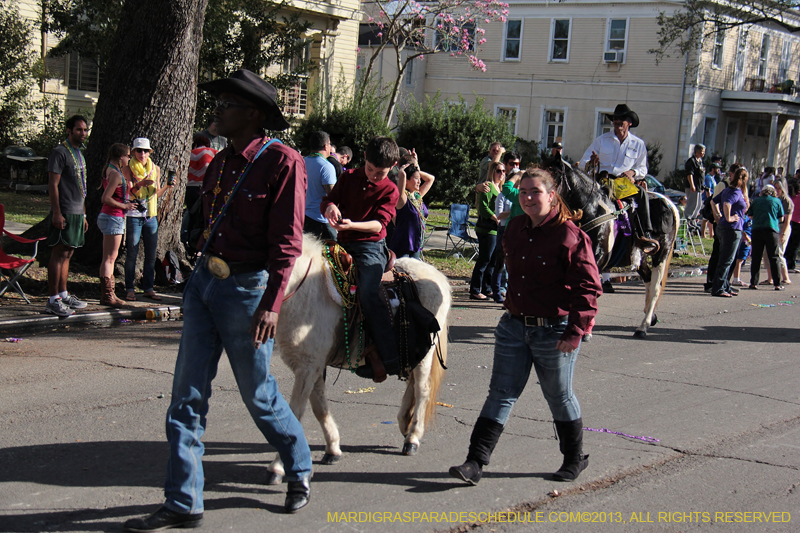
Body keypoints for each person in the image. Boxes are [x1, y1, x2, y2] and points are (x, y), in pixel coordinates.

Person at [123, 69, 313, 532]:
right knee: (186, 397)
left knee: (259, 395)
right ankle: (183, 501)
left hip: (249, 292)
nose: (217, 109)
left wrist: (271, 304)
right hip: (204, 285)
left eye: (226, 103)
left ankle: (299, 465)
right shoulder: (218, 162)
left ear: (252, 113)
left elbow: (286, 243)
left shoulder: (283, 162)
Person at [449, 168, 601, 486]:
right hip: (514, 327)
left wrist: (575, 331)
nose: (529, 197)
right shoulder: (515, 227)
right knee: (500, 393)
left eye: (535, 192)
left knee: (558, 395)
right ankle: (474, 462)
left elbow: (589, 288)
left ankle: (574, 459)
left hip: (554, 330)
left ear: (551, 194)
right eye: (524, 191)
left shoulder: (570, 235)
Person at [321, 136, 401, 382]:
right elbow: (329, 199)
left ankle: (390, 356)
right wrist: (330, 208)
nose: (374, 175)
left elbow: (379, 223)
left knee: (367, 293)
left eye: (381, 172)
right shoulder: (348, 177)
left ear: (394, 165)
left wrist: (352, 224)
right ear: (364, 157)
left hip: (370, 247)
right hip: (342, 242)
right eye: (370, 169)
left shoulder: (391, 189)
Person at [579, 104, 655, 254]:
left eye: (622, 119)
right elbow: (582, 164)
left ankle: (644, 234)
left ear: (629, 122)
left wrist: (632, 172)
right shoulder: (601, 140)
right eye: (615, 119)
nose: (618, 122)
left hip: (623, 183)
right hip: (603, 181)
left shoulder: (638, 144)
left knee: (641, 194)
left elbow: (643, 169)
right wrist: (591, 163)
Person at [44, 115, 90, 317]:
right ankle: (53, 299)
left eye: (85, 130)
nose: (83, 133)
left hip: (77, 211)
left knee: (69, 253)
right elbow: (53, 184)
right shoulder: (59, 152)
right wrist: (56, 212)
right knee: (59, 253)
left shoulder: (79, 153)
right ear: (69, 131)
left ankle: (63, 293)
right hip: (64, 210)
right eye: (79, 130)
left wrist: (84, 214)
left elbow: (82, 186)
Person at [122, 137, 174, 302]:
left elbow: (156, 194)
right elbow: (128, 193)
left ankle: (148, 288)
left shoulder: (155, 169)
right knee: (132, 253)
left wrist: (167, 187)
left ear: (149, 152)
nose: (142, 154)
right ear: (133, 152)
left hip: (150, 215)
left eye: (145, 151)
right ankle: (129, 288)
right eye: (139, 150)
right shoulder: (127, 168)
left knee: (151, 254)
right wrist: (141, 183)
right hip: (134, 215)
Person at [98, 143, 136, 307]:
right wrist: (124, 206)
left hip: (111, 217)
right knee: (110, 259)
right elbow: (106, 198)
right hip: (113, 217)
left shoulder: (111, 170)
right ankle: (108, 295)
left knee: (108, 257)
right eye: (128, 155)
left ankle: (107, 294)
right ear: (121, 157)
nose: (129, 158)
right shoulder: (115, 174)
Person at [710, 167, 749, 297]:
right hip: (731, 229)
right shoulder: (735, 192)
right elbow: (727, 203)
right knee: (726, 260)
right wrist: (728, 217)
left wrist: (718, 215)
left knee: (728, 259)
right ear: (743, 179)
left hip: (723, 227)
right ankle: (718, 288)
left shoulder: (727, 190)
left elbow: (713, 201)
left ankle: (725, 285)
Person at [389, 151, 435, 259]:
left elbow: (430, 179)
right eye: (416, 178)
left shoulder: (418, 196)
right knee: (403, 274)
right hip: (403, 245)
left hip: (416, 244)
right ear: (407, 180)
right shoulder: (403, 198)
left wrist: (416, 168)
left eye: (419, 179)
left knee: (414, 275)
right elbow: (401, 185)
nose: (419, 182)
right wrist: (403, 173)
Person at [470, 161, 504, 301]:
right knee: (484, 259)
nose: (501, 174)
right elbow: (483, 207)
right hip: (487, 228)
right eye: (498, 171)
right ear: (492, 172)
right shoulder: (487, 186)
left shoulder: (500, 188)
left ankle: (487, 288)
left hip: (496, 230)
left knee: (493, 261)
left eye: (503, 171)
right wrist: (496, 218)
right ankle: (475, 290)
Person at [704, 163, 740, 292]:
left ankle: (725, 283)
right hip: (723, 225)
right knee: (719, 254)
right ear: (732, 174)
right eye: (739, 175)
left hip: (733, 226)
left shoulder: (738, 188)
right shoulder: (723, 185)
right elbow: (715, 203)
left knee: (731, 257)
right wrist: (719, 219)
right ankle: (712, 282)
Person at [747, 184, 785, 291]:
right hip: (771, 230)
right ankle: (777, 284)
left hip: (757, 230)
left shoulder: (756, 201)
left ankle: (754, 283)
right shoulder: (776, 201)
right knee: (774, 257)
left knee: (756, 257)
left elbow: (750, 215)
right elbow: (781, 218)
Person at [303, 131, 337, 241]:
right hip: (321, 220)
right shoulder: (326, 167)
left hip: (303, 216)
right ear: (326, 146)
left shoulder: (302, 162)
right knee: (336, 253)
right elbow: (333, 195)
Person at [761, 177, 793, 285]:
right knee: (767, 252)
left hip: (782, 227)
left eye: (779, 188)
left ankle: (785, 277)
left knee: (778, 252)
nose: (777, 190)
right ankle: (770, 278)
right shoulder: (773, 200)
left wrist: (783, 233)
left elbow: (787, 220)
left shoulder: (786, 201)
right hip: (772, 226)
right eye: (775, 188)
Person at [186, 134, 217, 209]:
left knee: (192, 213)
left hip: (190, 188)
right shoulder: (214, 152)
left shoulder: (189, 153)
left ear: (195, 144)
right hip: (207, 187)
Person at [684, 144, 706, 223]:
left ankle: (693, 220)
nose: (703, 153)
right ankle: (687, 221)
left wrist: (702, 187)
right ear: (697, 151)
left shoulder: (700, 161)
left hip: (699, 187)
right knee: (692, 205)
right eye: (702, 152)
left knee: (698, 205)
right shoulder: (691, 161)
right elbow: (689, 174)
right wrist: (692, 185)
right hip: (693, 187)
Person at [785, 182, 800, 273]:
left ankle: (786, 260)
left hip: (790, 221)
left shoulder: (790, 198)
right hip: (798, 222)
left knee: (789, 243)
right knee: (795, 245)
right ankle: (791, 263)